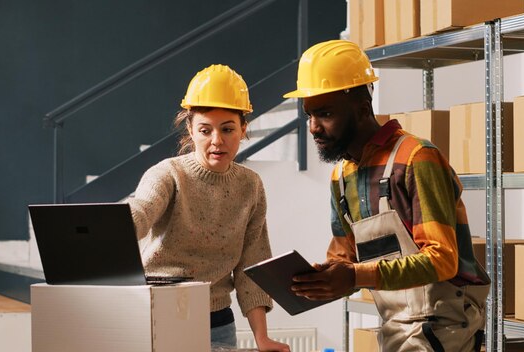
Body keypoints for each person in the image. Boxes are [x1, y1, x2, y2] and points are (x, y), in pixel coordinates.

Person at [285, 40, 490, 351]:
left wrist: (352, 277)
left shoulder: (417, 158)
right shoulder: (342, 177)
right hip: (395, 328)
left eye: (324, 113)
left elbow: (443, 260)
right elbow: (344, 257)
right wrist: (323, 280)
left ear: (362, 108)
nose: (314, 127)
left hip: (445, 329)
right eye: (309, 115)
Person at [127, 64, 290, 352]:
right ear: (190, 129)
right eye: (205, 130)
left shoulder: (250, 186)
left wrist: (261, 339)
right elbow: (142, 209)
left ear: (243, 129)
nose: (217, 140)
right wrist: (115, 226)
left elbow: (252, 265)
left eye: (227, 129)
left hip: (218, 323)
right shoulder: (167, 174)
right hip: (158, 317)